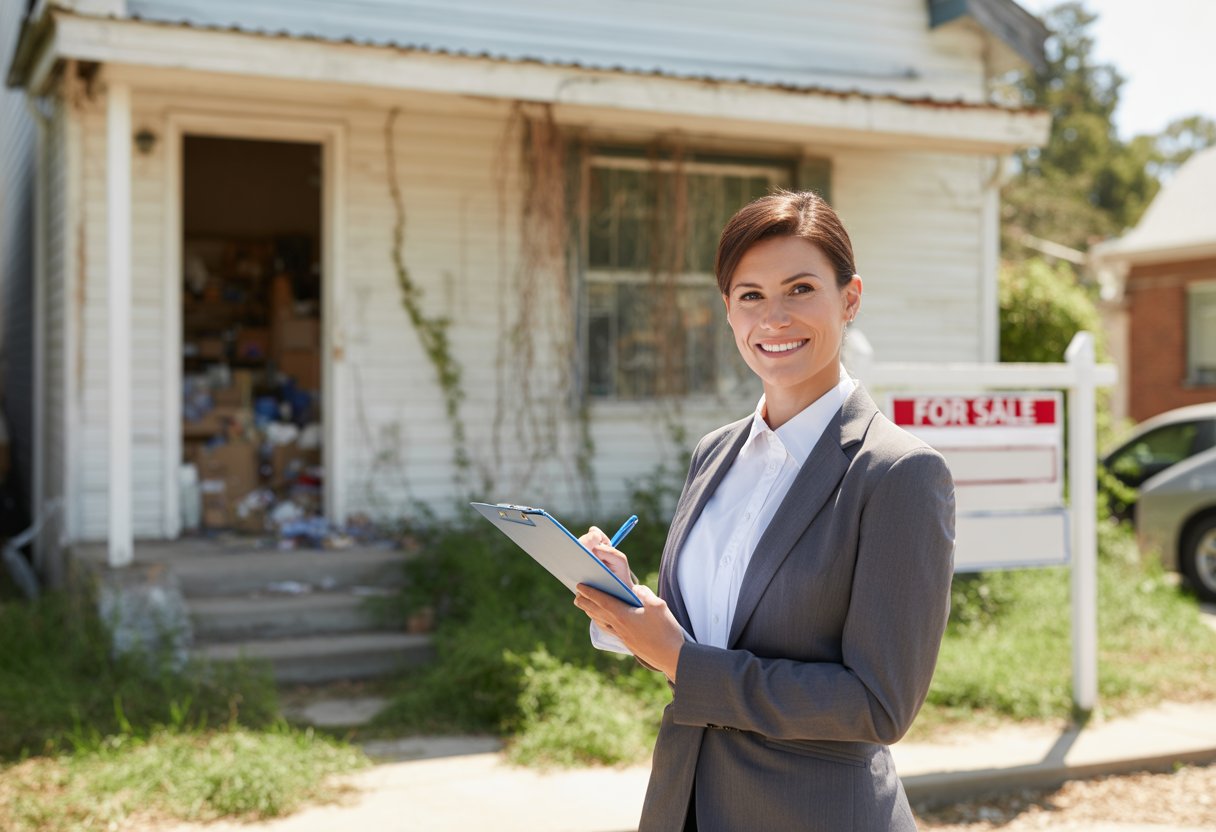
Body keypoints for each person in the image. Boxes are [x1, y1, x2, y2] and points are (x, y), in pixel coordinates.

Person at [574, 190, 956, 831]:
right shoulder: (714, 454)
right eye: (750, 295)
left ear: (850, 298)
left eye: (800, 289)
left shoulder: (899, 474)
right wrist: (630, 612)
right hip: (684, 806)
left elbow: (878, 705)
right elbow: (703, 644)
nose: (773, 317)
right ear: (727, 310)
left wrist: (678, 660)